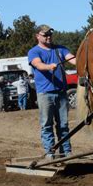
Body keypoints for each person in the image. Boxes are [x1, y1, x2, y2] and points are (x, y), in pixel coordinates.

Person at [28, 24, 76, 159]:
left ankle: (66, 152)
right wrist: (49, 66)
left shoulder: (60, 49)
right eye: (45, 35)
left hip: (61, 92)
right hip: (45, 93)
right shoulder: (34, 52)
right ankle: (50, 153)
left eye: (50, 35)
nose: (49, 37)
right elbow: (38, 64)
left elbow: (72, 59)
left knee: (64, 125)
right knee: (46, 125)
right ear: (38, 36)